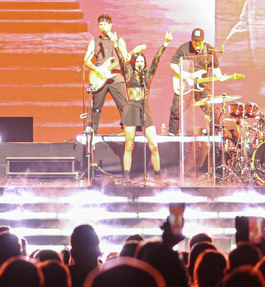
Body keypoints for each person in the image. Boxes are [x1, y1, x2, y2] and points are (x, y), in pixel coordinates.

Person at [119, 32, 172, 182]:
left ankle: (158, 174)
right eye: (138, 61)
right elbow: (122, 61)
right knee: (129, 145)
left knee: (153, 145)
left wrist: (165, 44)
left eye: (142, 61)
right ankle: (127, 175)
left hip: (144, 108)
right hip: (131, 108)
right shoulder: (128, 73)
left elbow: (156, 60)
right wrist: (119, 47)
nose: (140, 63)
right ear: (134, 62)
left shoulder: (147, 75)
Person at [166, 29, 226, 135]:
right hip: (185, 84)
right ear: (191, 40)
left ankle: (216, 134)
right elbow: (173, 64)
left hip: (201, 85)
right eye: (195, 41)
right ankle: (172, 133)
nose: (197, 43)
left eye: (199, 41)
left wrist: (220, 76)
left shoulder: (209, 51)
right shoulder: (184, 48)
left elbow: (215, 67)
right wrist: (183, 75)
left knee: (209, 109)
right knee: (176, 109)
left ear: (203, 40)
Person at [82, 14, 129, 135]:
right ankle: (93, 132)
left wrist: (115, 44)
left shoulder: (119, 40)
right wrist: (97, 70)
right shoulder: (95, 42)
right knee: (96, 107)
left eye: (105, 24)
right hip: (99, 77)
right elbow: (86, 61)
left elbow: (125, 59)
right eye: (100, 24)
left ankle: (127, 130)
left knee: (123, 105)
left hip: (116, 77)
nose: (102, 26)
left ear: (110, 25)